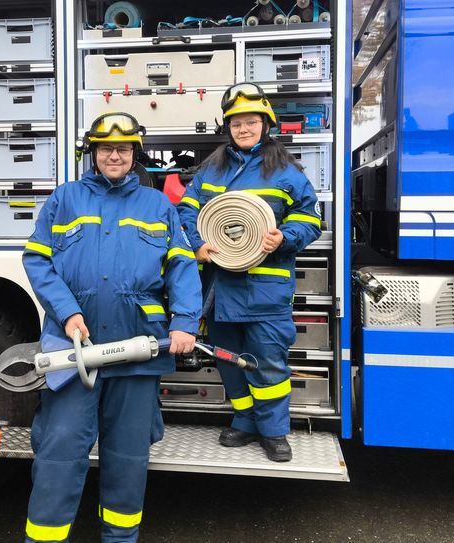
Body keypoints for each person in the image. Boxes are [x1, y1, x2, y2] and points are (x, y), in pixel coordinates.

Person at [22, 112, 202, 542]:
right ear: (94, 153)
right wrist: (67, 312)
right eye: (106, 148)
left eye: (123, 149)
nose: (115, 156)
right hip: (74, 352)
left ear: (135, 154)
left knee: (127, 461)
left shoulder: (157, 205)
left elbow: (181, 266)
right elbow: (37, 259)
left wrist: (185, 321)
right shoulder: (65, 199)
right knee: (58, 455)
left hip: (137, 351)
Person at [177, 83, 322, 462]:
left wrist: (284, 238)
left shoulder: (286, 171)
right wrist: (197, 244)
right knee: (228, 360)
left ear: (265, 124)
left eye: (251, 122)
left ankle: (273, 431)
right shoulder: (212, 167)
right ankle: (244, 422)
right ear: (229, 127)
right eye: (237, 123)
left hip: (265, 289)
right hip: (220, 288)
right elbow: (187, 210)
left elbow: (310, 219)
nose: (244, 129)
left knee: (269, 362)